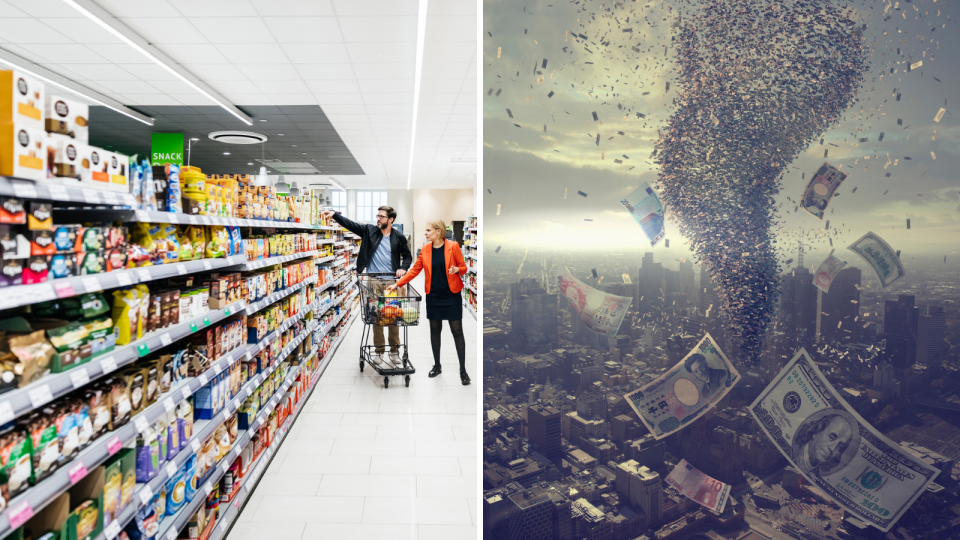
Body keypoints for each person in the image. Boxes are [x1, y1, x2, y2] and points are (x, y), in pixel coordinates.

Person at [321, 206, 412, 360]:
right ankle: (379, 351)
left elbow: (408, 256)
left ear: (391, 219)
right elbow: (351, 225)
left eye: (382, 216)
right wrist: (335, 215)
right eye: (377, 216)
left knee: (393, 317)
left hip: (392, 283)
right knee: (377, 317)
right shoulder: (369, 231)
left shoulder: (399, 237)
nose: (378, 219)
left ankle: (395, 351)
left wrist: (403, 268)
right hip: (372, 281)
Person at [387, 219, 470, 385]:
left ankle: (463, 369)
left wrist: (457, 270)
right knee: (434, 330)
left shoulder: (453, 246)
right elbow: (414, 271)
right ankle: (437, 365)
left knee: (457, 331)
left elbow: (464, 267)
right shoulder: (425, 250)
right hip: (433, 296)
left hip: (451, 295)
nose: (425, 233)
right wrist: (397, 284)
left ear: (438, 231)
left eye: (428, 230)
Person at [792, 413, 854, 477]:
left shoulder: (816, 478)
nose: (832, 448)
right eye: (831, 437)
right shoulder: (793, 448)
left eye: (840, 447)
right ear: (817, 432)